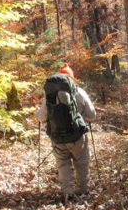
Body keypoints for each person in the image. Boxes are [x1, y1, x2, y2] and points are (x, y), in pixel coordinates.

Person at [36, 63, 96, 201]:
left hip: (57, 138)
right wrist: (83, 119)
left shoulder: (49, 96)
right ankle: (83, 191)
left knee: (63, 164)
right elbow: (92, 115)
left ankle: (68, 194)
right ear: (71, 78)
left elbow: (41, 117)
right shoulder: (80, 92)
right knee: (81, 163)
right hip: (77, 136)